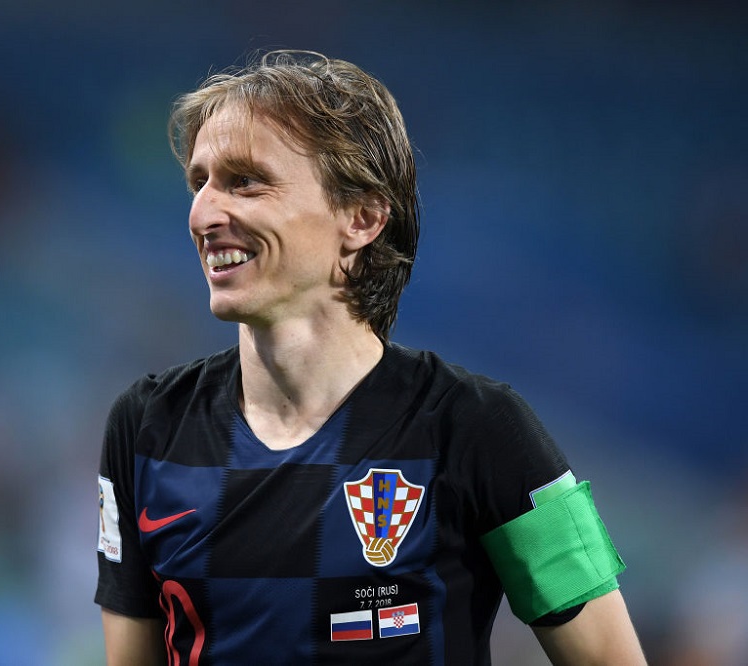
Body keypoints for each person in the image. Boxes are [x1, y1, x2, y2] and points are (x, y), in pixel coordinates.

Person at [94, 49, 645, 665]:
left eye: (245, 181)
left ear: (360, 218)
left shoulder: (481, 429)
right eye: (200, 182)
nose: (203, 213)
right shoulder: (146, 428)